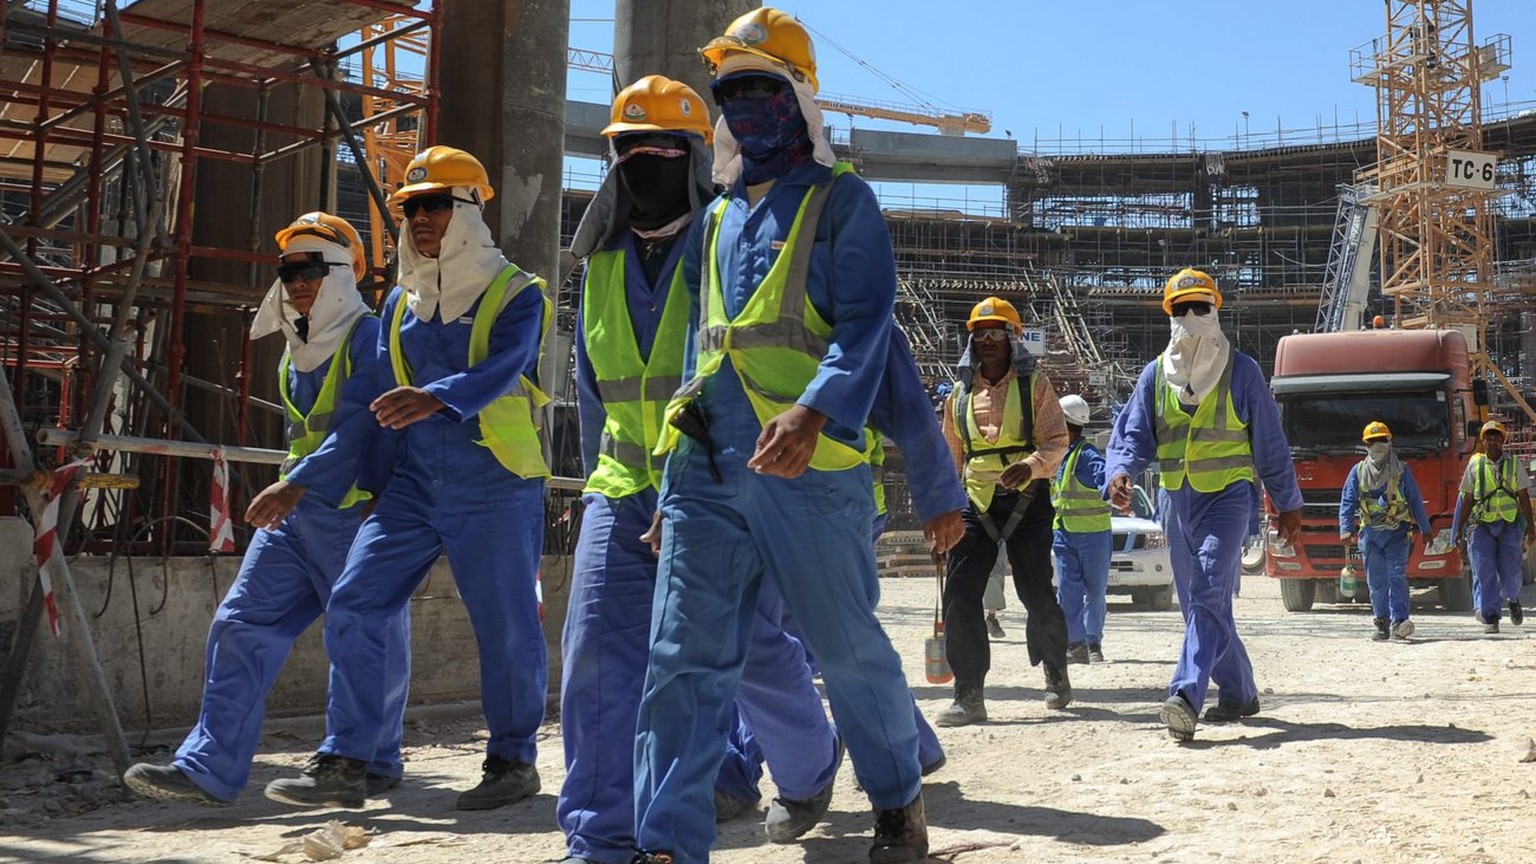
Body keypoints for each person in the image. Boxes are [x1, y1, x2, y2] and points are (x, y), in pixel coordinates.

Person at [629, 9, 930, 862]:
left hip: (811, 469)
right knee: (681, 661)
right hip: (709, 467)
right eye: (731, 93)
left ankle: (898, 804)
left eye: (763, 89)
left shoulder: (844, 203)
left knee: (846, 648)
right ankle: (666, 844)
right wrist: (673, 475)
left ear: (799, 98)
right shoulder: (717, 220)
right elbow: (702, 350)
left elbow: (867, 326)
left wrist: (816, 410)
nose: (746, 107)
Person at [558, 74, 848, 862]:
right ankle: (601, 840)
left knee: (746, 650)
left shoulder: (733, 241)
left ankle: (811, 761)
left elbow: (741, 374)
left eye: (662, 150)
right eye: (629, 151)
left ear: (694, 156)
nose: (644, 164)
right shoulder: (602, 267)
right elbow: (593, 395)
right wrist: (595, 487)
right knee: (594, 657)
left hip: (719, 484)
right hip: (622, 488)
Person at [264, 146, 554, 811]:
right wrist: (338, 483)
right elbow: (370, 406)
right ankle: (350, 759)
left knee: (505, 625)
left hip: (495, 479)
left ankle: (512, 760)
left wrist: (438, 396)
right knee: (357, 600)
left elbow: (505, 366)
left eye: (435, 205)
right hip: (413, 485)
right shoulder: (398, 304)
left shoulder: (516, 292)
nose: (420, 218)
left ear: (471, 210)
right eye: (411, 208)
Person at [122, 214, 408, 805]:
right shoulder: (294, 353)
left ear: (341, 275)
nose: (297, 283)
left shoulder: (368, 337)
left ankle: (371, 759)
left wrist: (295, 484)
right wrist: (296, 489)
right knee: (240, 624)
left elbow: (363, 425)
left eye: (310, 270)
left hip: (348, 513)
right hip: (300, 513)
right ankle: (208, 767)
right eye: (289, 272)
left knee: (363, 632)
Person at [1105, 267, 1302, 742]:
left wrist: (1287, 502)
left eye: (1201, 308)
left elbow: (1270, 446)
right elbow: (1131, 437)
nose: (1191, 317)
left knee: (1210, 591)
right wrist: (1119, 472)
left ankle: (1185, 694)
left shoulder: (1243, 372)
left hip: (1229, 498)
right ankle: (1238, 692)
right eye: (1181, 309)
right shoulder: (1155, 376)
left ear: (1216, 311)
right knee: (1197, 603)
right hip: (1178, 500)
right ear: (1169, 316)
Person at [935, 295, 1071, 728]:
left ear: (1013, 339)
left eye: (996, 333)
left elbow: (1055, 440)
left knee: (1036, 592)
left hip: (1028, 502)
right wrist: (940, 511)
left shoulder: (1036, 386)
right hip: (975, 503)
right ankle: (969, 693)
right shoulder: (958, 396)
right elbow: (949, 458)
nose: (987, 340)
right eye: (980, 334)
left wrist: (1030, 466)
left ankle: (1054, 672)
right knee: (959, 593)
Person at [1339, 421, 1432, 641]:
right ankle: (1382, 622)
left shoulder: (1402, 471)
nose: (1377, 445)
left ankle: (1400, 621)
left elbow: (1415, 501)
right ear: (1366, 445)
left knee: (1397, 576)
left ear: (1390, 442)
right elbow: (1347, 501)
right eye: (1372, 441)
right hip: (1370, 536)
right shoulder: (1358, 472)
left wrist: (1426, 529)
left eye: (1382, 440)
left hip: (1397, 533)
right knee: (1377, 582)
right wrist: (1345, 528)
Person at [1452, 420, 1534, 634]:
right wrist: (1458, 530)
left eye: (1496, 437)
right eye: (1489, 437)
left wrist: (1531, 528)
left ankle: (1513, 599)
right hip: (1481, 526)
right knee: (1484, 571)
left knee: (1511, 571)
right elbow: (1467, 499)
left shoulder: (1514, 464)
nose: (1493, 441)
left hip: (1509, 525)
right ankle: (1491, 616)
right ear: (1483, 441)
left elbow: (1523, 497)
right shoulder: (1475, 466)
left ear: (1503, 441)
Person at [1053, 393, 1113, 664]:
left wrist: (1114, 488)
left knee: (1095, 590)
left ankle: (1093, 642)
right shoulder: (1059, 455)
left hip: (1093, 535)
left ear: (1065, 422)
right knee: (1067, 589)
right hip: (1064, 533)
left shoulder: (1088, 455)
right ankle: (1074, 643)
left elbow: (1105, 480)